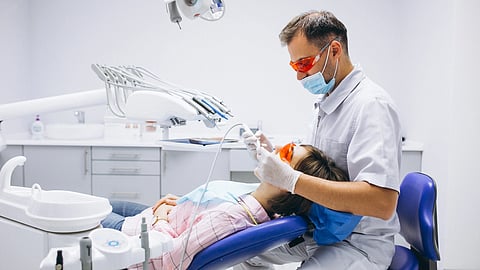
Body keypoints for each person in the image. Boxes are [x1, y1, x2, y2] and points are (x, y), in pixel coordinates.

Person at [238, 10, 402, 270]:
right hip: (320, 230)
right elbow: (315, 168)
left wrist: (292, 180)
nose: (299, 76)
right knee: (244, 252)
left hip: (357, 242)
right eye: (294, 66)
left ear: (334, 50)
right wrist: (273, 157)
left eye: (304, 64)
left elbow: (381, 202)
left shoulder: (371, 106)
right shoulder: (326, 103)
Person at [101, 144, 357, 270]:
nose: (276, 151)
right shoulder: (262, 205)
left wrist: (159, 218)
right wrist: (183, 206)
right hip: (164, 219)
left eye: (287, 154)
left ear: (286, 183)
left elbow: (170, 261)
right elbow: (205, 220)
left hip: (138, 241)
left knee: (82, 212)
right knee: (103, 204)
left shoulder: (232, 219)